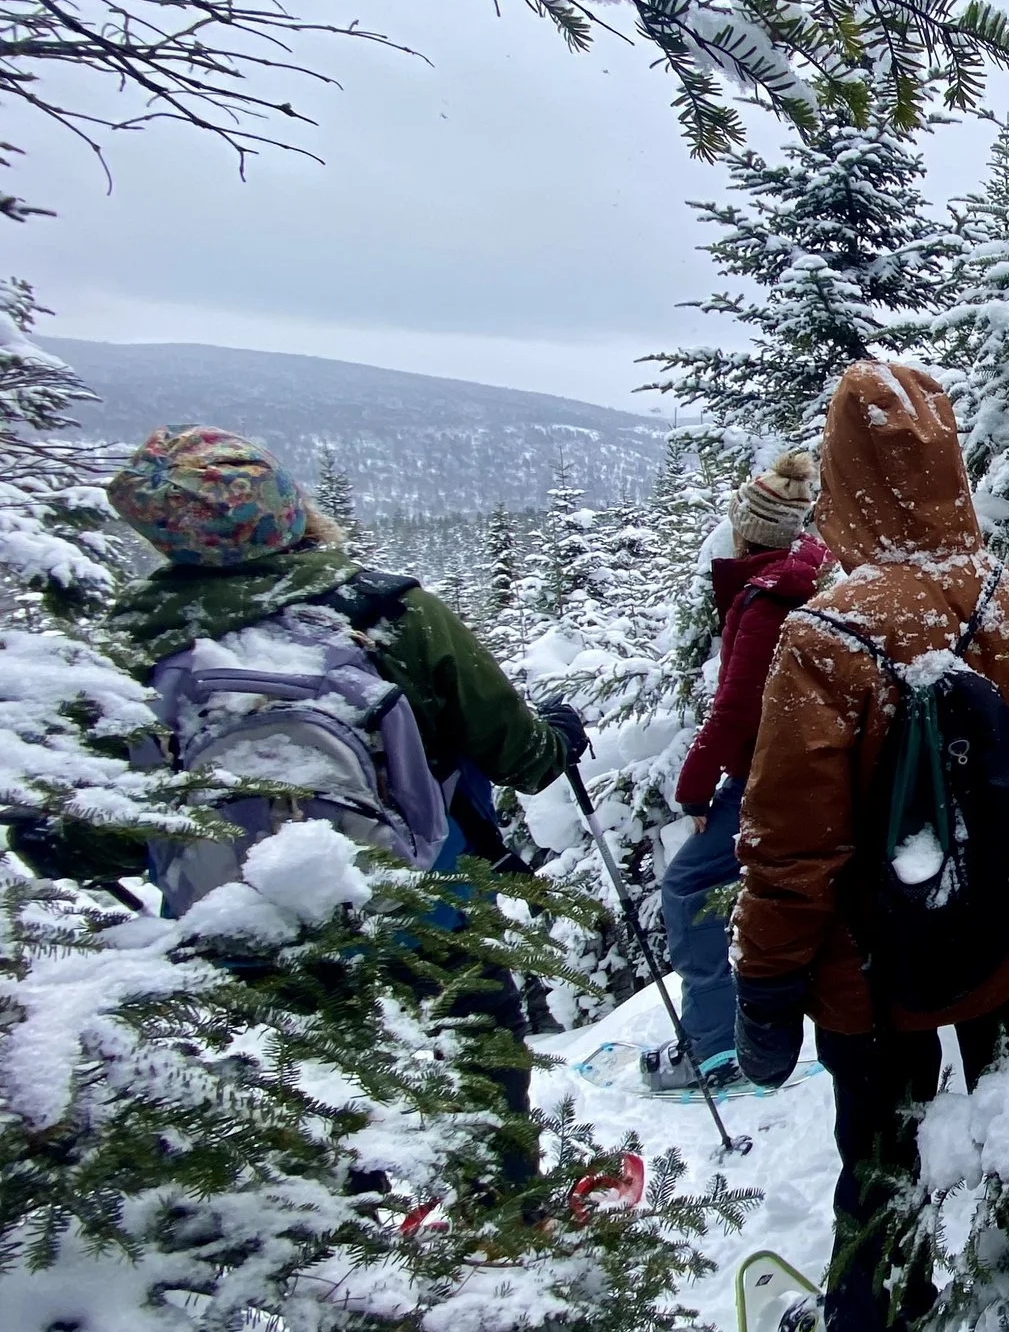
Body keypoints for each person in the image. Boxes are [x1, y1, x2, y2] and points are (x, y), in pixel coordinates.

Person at [732, 362, 1009, 1332]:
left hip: (878, 977)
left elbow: (788, 852)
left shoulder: (825, 637)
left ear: (845, 480)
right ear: (951, 467)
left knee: (882, 1159)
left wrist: (764, 989)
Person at [103, 425, 589, 1182]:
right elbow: (520, 756)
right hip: (429, 912)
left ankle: (345, 1245)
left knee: (295, 1108)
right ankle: (504, 1230)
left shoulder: (126, 649)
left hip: (233, 934)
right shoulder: (391, 611)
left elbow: (86, 832)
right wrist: (559, 734)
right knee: (481, 1075)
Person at [643, 448, 829, 1095]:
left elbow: (731, 713)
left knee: (687, 885)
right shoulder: (807, 572)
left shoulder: (766, 600)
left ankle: (713, 1046)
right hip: (797, 776)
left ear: (749, 527)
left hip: (768, 784)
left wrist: (692, 787)